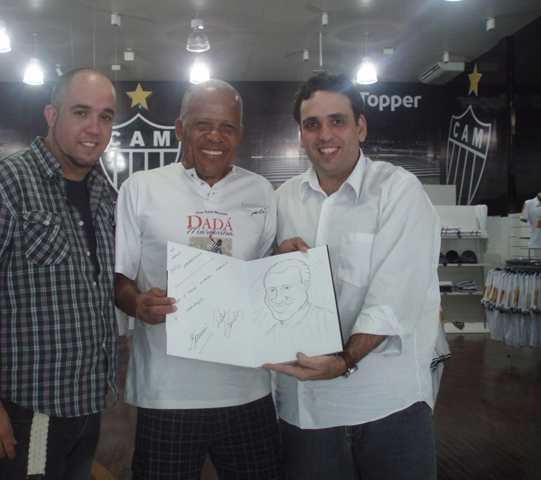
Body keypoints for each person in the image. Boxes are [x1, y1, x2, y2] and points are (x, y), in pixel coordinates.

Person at [0, 68, 119, 480]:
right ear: (51, 115)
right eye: (81, 112)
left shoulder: (102, 194)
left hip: (87, 404)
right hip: (26, 408)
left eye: (106, 116)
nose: (95, 128)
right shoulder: (4, 182)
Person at [264, 72, 442, 480]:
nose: (325, 134)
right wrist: (271, 263)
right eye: (312, 124)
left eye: (337, 120)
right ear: (301, 135)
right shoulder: (281, 200)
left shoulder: (399, 191)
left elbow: (393, 298)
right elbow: (263, 288)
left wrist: (344, 360)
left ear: (360, 126)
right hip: (305, 413)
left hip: (388, 407)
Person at [114, 79, 284, 480]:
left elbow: (262, 281)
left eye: (228, 127)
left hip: (249, 389)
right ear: (179, 129)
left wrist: (286, 261)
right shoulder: (140, 189)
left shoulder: (260, 191)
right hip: (167, 392)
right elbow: (119, 279)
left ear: (241, 134)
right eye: (202, 123)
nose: (215, 136)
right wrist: (137, 303)